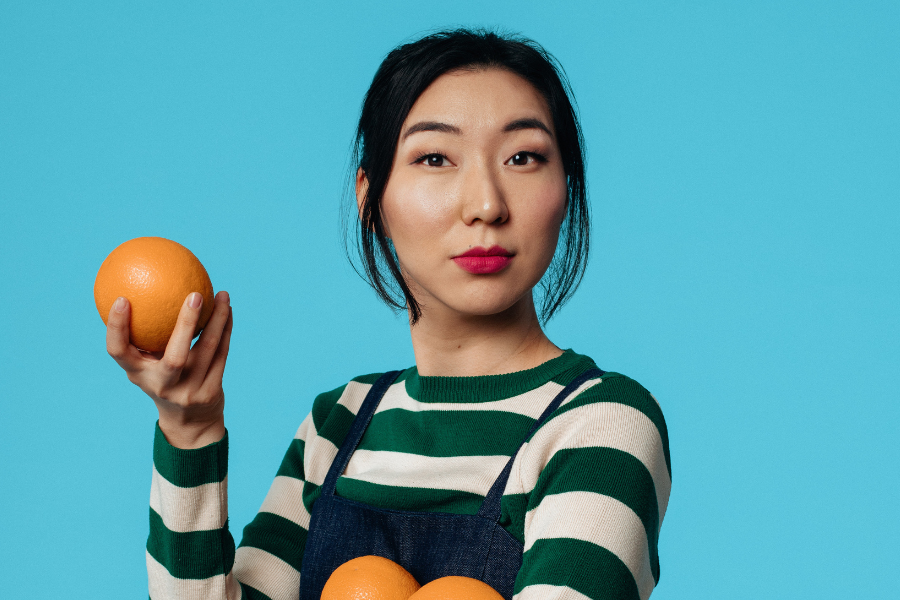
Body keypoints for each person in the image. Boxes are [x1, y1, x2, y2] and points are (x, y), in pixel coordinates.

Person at [105, 29, 671, 600]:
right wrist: (191, 430)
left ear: (566, 188)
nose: (486, 205)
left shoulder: (602, 424)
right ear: (369, 199)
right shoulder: (341, 423)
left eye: (523, 157)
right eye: (434, 158)